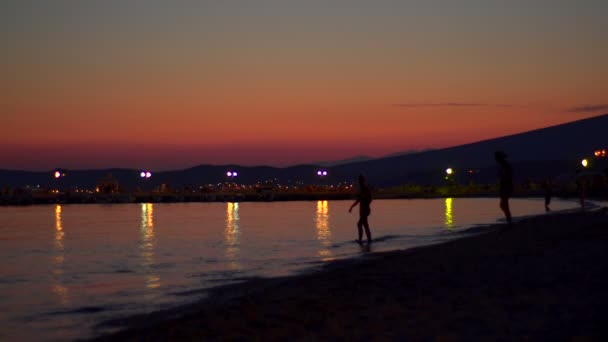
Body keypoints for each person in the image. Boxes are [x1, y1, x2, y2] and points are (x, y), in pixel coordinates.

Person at [349, 174, 372, 244]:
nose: (359, 182)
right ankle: (368, 239)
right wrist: (351, 207)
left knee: (359, 224)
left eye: (360, 180)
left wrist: (366, 203)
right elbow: (358, 200)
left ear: (363, 181)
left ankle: (360, 240)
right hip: (362, 210)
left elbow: (370, 199)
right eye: (359, 181)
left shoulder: (365, 189)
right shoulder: (361, 190)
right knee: (365, 225)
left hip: (365, 210)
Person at [495, 151, 513, 227]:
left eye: (496, 157)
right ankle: (509, 221)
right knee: (504, 204)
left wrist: (506, 185)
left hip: (505, 186)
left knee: (504, 204)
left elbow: (507, 176)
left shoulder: (504, 165)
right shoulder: (504, 165)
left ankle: (509, 222)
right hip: (505, 186)